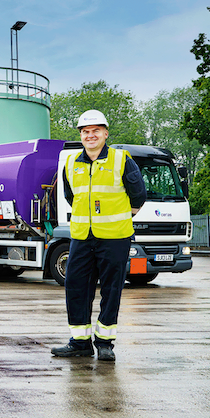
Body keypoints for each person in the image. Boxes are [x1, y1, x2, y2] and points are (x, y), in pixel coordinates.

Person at [51, 110, 146, 362]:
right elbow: (71, 196)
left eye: (95, 131)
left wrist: (121, 216)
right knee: (76, 287)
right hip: (82, 236)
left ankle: (105, 343)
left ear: (105, 133)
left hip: (115, 237)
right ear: (81, 136)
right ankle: (80, 342)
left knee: (111, 289)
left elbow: (138, 195)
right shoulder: (71, 163)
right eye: (85, 131)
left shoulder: (121, 159)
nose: (90, 135)